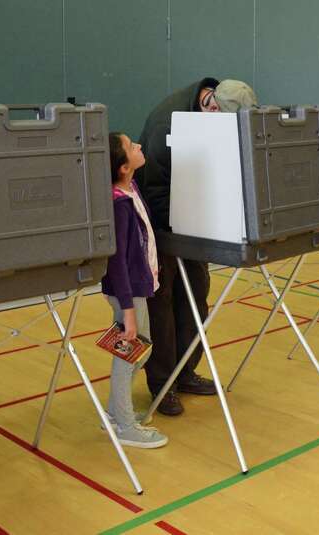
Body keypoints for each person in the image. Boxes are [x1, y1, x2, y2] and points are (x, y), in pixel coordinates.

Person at [135, 78, 258, 415]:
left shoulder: (214, 108)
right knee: (162, 303)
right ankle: (163, 385)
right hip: (159, 221)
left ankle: (185, 372)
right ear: (212, 105)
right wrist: (178, 231)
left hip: (194, 217)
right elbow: (155, 188)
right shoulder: (167, 121)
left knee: (196, 296)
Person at [100, 132, 168, 448]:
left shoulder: (132, 189)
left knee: (141, 348)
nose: (138, 146)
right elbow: (117, 264)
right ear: (123, 167)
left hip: (139, 287)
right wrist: (128, 312)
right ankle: (124, 425)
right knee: (128, 355)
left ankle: (116, 412)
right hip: (127, 292)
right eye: (131, 147)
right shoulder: (118, 205)